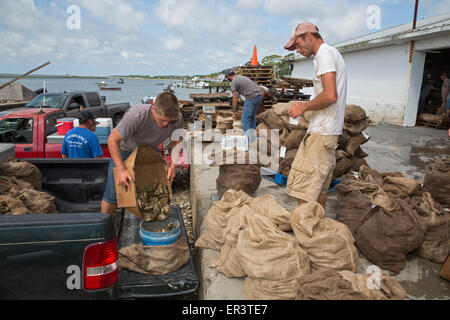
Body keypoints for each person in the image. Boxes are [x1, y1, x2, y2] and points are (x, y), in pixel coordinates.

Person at [283, 22, 347, 209]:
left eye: (298, 45)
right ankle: (315, 227)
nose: (297, 50)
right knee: (319, 188)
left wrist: (304, 107)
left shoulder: (324, 54)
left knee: (306, 188)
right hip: (328, 132)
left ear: (308, 36)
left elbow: (330, 95)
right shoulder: (332, 53)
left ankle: (305, 231)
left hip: (321, 132)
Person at [101, 91, 184, 215]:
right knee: (113, 193)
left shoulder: (178, 118)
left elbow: (176, 143)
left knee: (153, 188)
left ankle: (148, 218)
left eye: (170, 121)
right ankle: (105, 228)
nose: (166, 124)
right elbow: (112, 140)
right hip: (126, 150)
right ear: (153, 110)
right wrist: (121, 169)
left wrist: (173, 165)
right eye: (163, 120)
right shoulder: (136, 116)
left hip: (149, 149)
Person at [225, 70, 262, 142]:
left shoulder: (233, 82)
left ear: (228, 76)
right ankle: (253, 138)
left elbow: (234, 98)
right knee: (251, 118)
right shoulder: (242, 77)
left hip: (251, 98)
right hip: (259, 97)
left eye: (226, 77)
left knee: (245, 119)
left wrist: (234, 112)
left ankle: (248, 141)